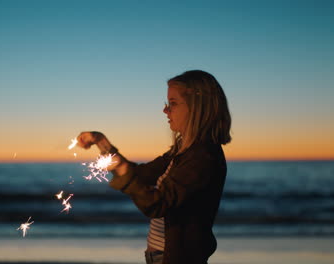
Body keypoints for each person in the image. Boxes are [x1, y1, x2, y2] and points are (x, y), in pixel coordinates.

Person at [76, 70, 232, 264]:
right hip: (156, 256)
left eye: (173, 103)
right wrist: (101, 142)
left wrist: (122, 170)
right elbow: (141, 175)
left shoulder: (203, 158)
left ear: (197, 107)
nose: (165, 110)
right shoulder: (180, 152)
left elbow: (157, 204)